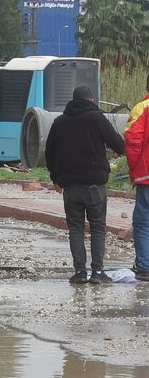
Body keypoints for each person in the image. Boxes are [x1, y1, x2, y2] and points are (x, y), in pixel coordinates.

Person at [45, 85, 125, 284]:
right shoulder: (97, 118)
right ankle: (97, 273)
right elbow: (118, 145)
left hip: (70, 186)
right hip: (94, 185)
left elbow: (49, 153)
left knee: (75, 229)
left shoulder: (59, 122)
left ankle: (80, 272)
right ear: (91, 100)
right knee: (98, 228)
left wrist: (56, 178)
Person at [125, 74, 149, 282]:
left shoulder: (142, 108)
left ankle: (144, 266)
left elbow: (133, 142)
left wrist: (134, 171)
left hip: (147, 177)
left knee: (143, 222)